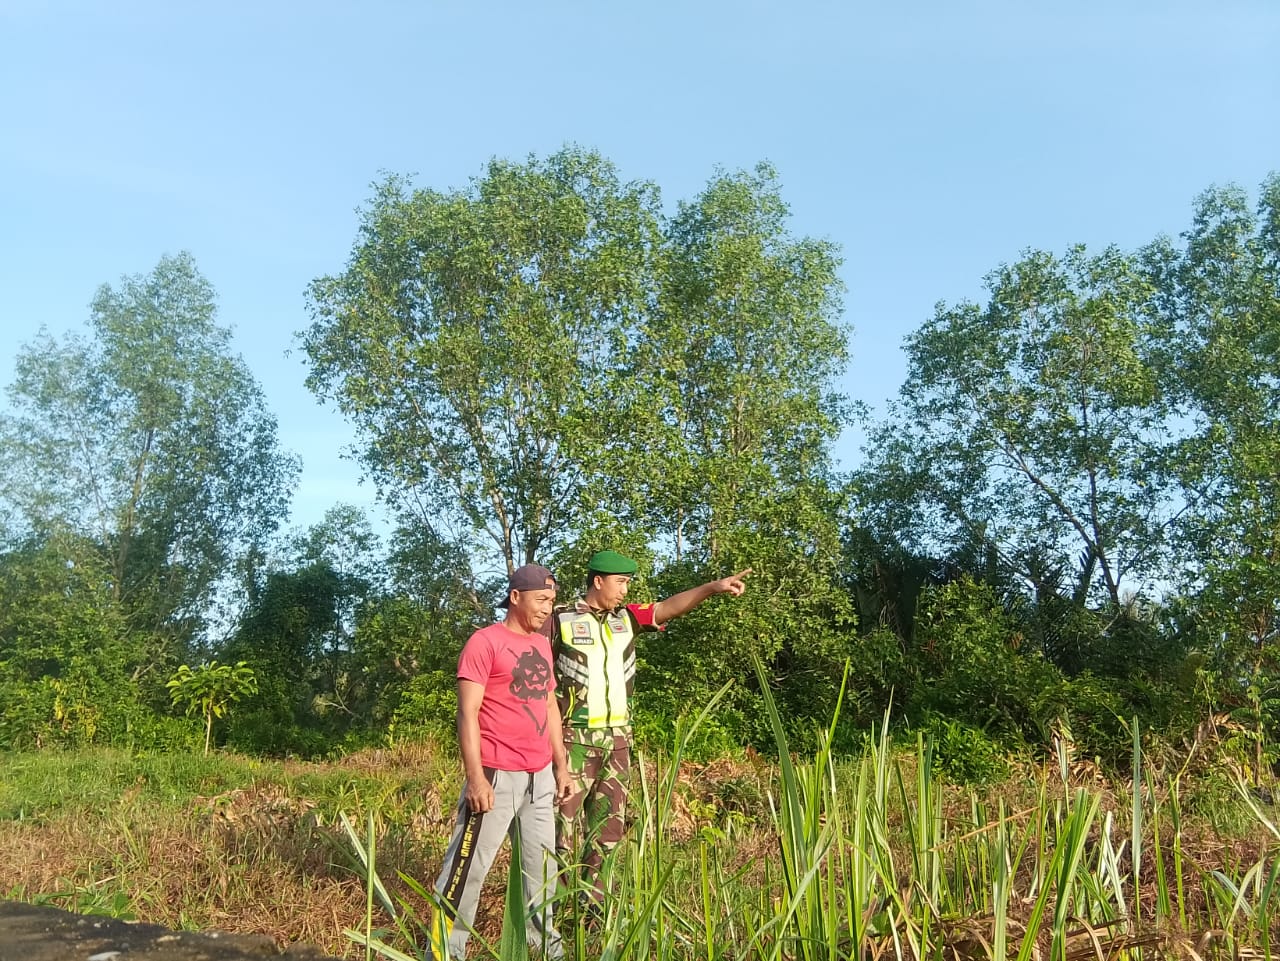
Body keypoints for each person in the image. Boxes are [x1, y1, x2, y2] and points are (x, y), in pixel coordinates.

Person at [550, 549, 751, 910]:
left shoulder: (627, 618)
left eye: (628, 583)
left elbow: (669, 607)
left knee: (607, 829)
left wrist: (712, 587)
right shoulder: (559, 619)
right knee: (561, 829)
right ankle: (557, 909)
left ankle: (592, 909)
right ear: (598, 581)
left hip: (618, 742)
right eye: (621, 582)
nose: (626, 590)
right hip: (572, 741)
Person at [431, 564, 572, 961]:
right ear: (516, 597)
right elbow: (467, 713)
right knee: (466, 873)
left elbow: (548, 705)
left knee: (541, 875)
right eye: (541, 600)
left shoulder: (542, 644)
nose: (547, 609)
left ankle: (546, 951)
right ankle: (446, 954)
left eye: (552, 601)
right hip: (495, 776)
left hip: (539, 777)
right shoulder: (484, 642)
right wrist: (476, 778)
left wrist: (561, 766)